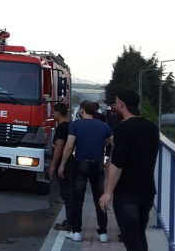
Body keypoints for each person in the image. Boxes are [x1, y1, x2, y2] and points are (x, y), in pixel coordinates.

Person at [98, 90, 160, 251]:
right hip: (147, 192)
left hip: (127, 194)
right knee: (139, 236)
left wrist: (107, 192)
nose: (115, 106)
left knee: (131, 240)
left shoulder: (123, 129)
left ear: (122, 104)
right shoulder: (152, 128)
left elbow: (118, 163)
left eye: (117, 103)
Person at [58, 100, 114, 243]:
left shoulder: (75, 125)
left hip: (80, 164)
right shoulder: (103, 126)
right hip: (97, 165)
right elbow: (115, 142)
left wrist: (62, 164)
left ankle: (76, 232)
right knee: (99, 199)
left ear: (82, 110)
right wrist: (109, 158)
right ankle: (103, 233)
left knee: (78, 199)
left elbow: (69, 146)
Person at [48, 103, 73, 231]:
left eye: (54, 112)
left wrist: (53, 165)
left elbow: (59, 148)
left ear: (58, 113)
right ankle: (71, 220)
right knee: (68, 193)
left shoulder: (62, 128)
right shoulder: (70, 126)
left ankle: (70, 222)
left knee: (66, 193)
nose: (53, 115)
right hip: (70, 163)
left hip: (64, 164)